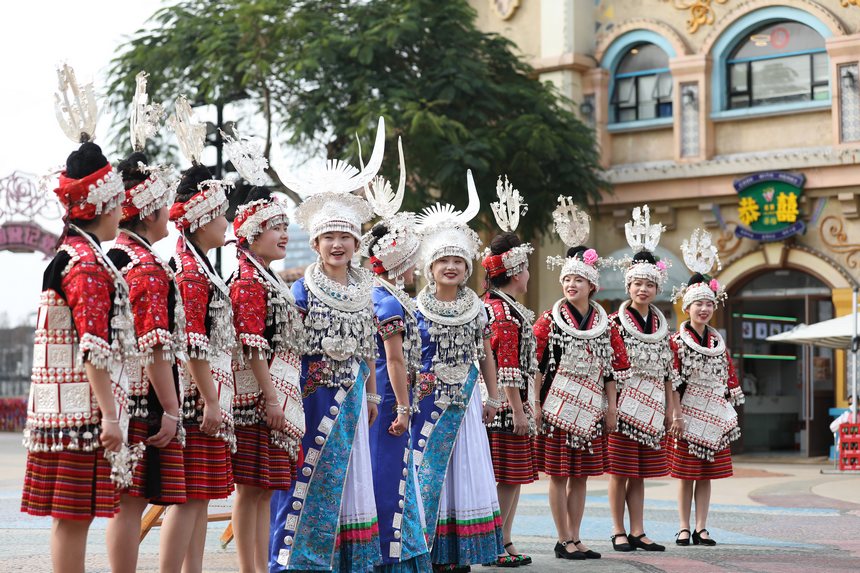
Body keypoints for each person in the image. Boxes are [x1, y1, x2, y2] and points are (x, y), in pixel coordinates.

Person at [21, 64, 138, 573]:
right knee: (73, 515)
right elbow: (94, 345)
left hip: (64, 410)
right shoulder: (88, 265)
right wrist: (111, 416)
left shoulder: (70, 255)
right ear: (103, 204)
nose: (123, 212)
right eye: (117, 203)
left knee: (73, 516)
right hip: (81, 413)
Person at [269, 118, 386, 573]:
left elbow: (368, 346)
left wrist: (373, 393)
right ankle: (294, 563)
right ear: (315, 242)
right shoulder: (300, 292)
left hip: (354, 397)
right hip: (311, 399)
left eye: (345, 237)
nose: (338, 244)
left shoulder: (365, 289)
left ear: (357, 242)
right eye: (329, 237)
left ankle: (341, 561)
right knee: (305, 480)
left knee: (347, 478)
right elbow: (286, 353)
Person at [412, 171, 504, 573]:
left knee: (465, 470)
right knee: (429, 472)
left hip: (465, 400)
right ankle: (428, 549)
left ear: (467, 268)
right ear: (430, 267)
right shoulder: (415, 308)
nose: (450, 267)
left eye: (457, 261)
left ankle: (461, 553)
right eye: (443, 260)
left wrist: (494, 394)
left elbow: (485, 353)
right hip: (425, 401)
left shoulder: (478, 308)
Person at [160, 96, 237, 573]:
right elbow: (192, 343)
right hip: (194, 396)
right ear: (205, 217)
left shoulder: (199, 266)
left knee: (197, 497)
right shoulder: (189, 272)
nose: (227, 222)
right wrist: (209, 400)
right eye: (223, 214)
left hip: (203, 394)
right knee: (186, 498)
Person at [105, 144, 188, 573]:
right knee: (130, 501)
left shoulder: (108, 257)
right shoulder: (146, 265)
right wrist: (171, 409)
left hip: (113, 392)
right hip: (142, 399)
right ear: (151, 212)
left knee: (124, 502)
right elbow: (154, 343)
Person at [532, 199, 629, 561]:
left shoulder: (605, 326)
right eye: (567, 279)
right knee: (558, 475)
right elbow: (535, 366)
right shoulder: (548, 320)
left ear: (592, 285)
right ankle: (562, 538)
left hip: (591, 409)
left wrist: (612, 408)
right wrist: (536, 404)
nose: (572, 284)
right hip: (558, 409)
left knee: (583, 475)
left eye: (579, 279)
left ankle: (576, 535)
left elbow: (612, 371)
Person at [228, 136, 306, 573]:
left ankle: (259, 565)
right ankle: (249, 568)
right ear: (253, 232)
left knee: (261, 489)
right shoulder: (247, 281)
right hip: (258, 400)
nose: (284, 235)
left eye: (285, 225)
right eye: (276, 227)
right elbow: (252, 343)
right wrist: (272, 398)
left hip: (270, 398)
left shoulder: (264, 277)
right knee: (250, 489)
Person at [360, 139, 432, 571]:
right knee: (389, 479)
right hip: (390, 399)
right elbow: (395, 360)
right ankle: (389, 558)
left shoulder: (387, 296)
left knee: (394, 477)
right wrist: (404, 406)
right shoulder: (387, 301)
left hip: (389, 397)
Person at [606, 205, 678, 553]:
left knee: (641, 471)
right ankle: (618, 530)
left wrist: (670, 409)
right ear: (628, 286)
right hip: (622, 404)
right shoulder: (614, 322)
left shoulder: (663, 327)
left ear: (657, 287)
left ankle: (638, 529)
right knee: (619, 470)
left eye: (649, 284)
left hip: (652, 404)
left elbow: (668, 372)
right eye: (637, 283)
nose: (643, 289)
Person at [669, 229, 744, 547]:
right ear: (687, 307)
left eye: (708, 304)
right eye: (697, 303)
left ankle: (702, 526)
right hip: (686, 415)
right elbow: (671, 380)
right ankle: (684, 526)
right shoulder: (676, 341)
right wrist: (675, 413)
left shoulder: (718, 343)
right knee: (687, 474)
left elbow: (729, 378)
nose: (703, 309)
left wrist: (728, 405)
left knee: (707, 474)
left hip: (713, 413)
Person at [480, 176, 537, 567]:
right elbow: (508, 368)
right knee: (505, 478)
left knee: (510, 479)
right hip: (502, 407)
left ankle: (504, 539)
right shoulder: (502, 313)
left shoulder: (498, 306)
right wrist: (518, 410)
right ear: (517, 273)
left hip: (499, 404)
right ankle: (498, 542)